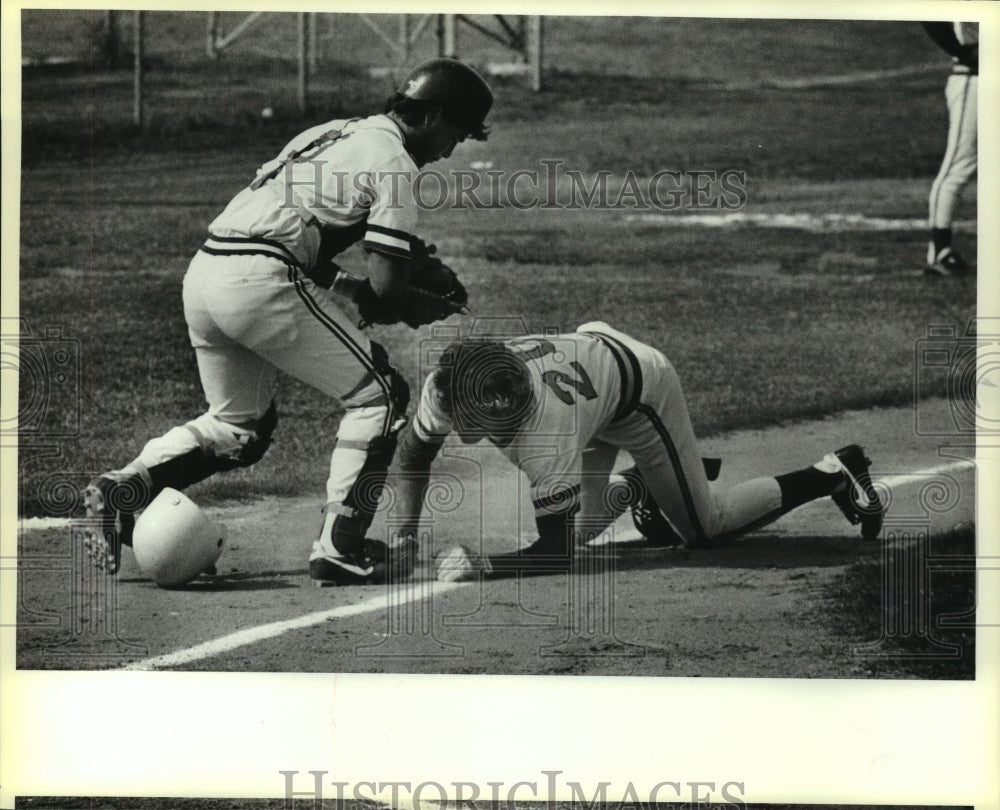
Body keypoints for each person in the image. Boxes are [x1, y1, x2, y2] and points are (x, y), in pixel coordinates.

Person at [81, 58, 493, 586]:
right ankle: (340, 547)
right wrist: (410, 296)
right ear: (432, 115)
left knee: (240, 427)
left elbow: (304, 241)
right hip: (257, 280)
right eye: (456, 134)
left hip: (206, 273)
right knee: (381, 395)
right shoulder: (395, 162)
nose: (452, 149)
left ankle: (120, 490)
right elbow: (387, 289)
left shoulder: (332, 132)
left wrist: (362, 290)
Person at [392, 322, 884, 581]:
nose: (500, 427)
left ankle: (832, 471)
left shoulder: (546, 430)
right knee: (581, 529)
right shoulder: (445, 387)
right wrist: (404, 541)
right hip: (592, 367)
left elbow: (555, 554)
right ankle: (641, 484)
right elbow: (413, 456)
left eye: (510, 413)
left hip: (641, 391)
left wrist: (487, 565)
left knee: (704, 530)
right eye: (489, 416)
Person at [923, 21, 978, 278]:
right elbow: (930, 16)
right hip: (974, 79)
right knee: (960, 165)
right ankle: (941, 251)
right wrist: (963, 51)